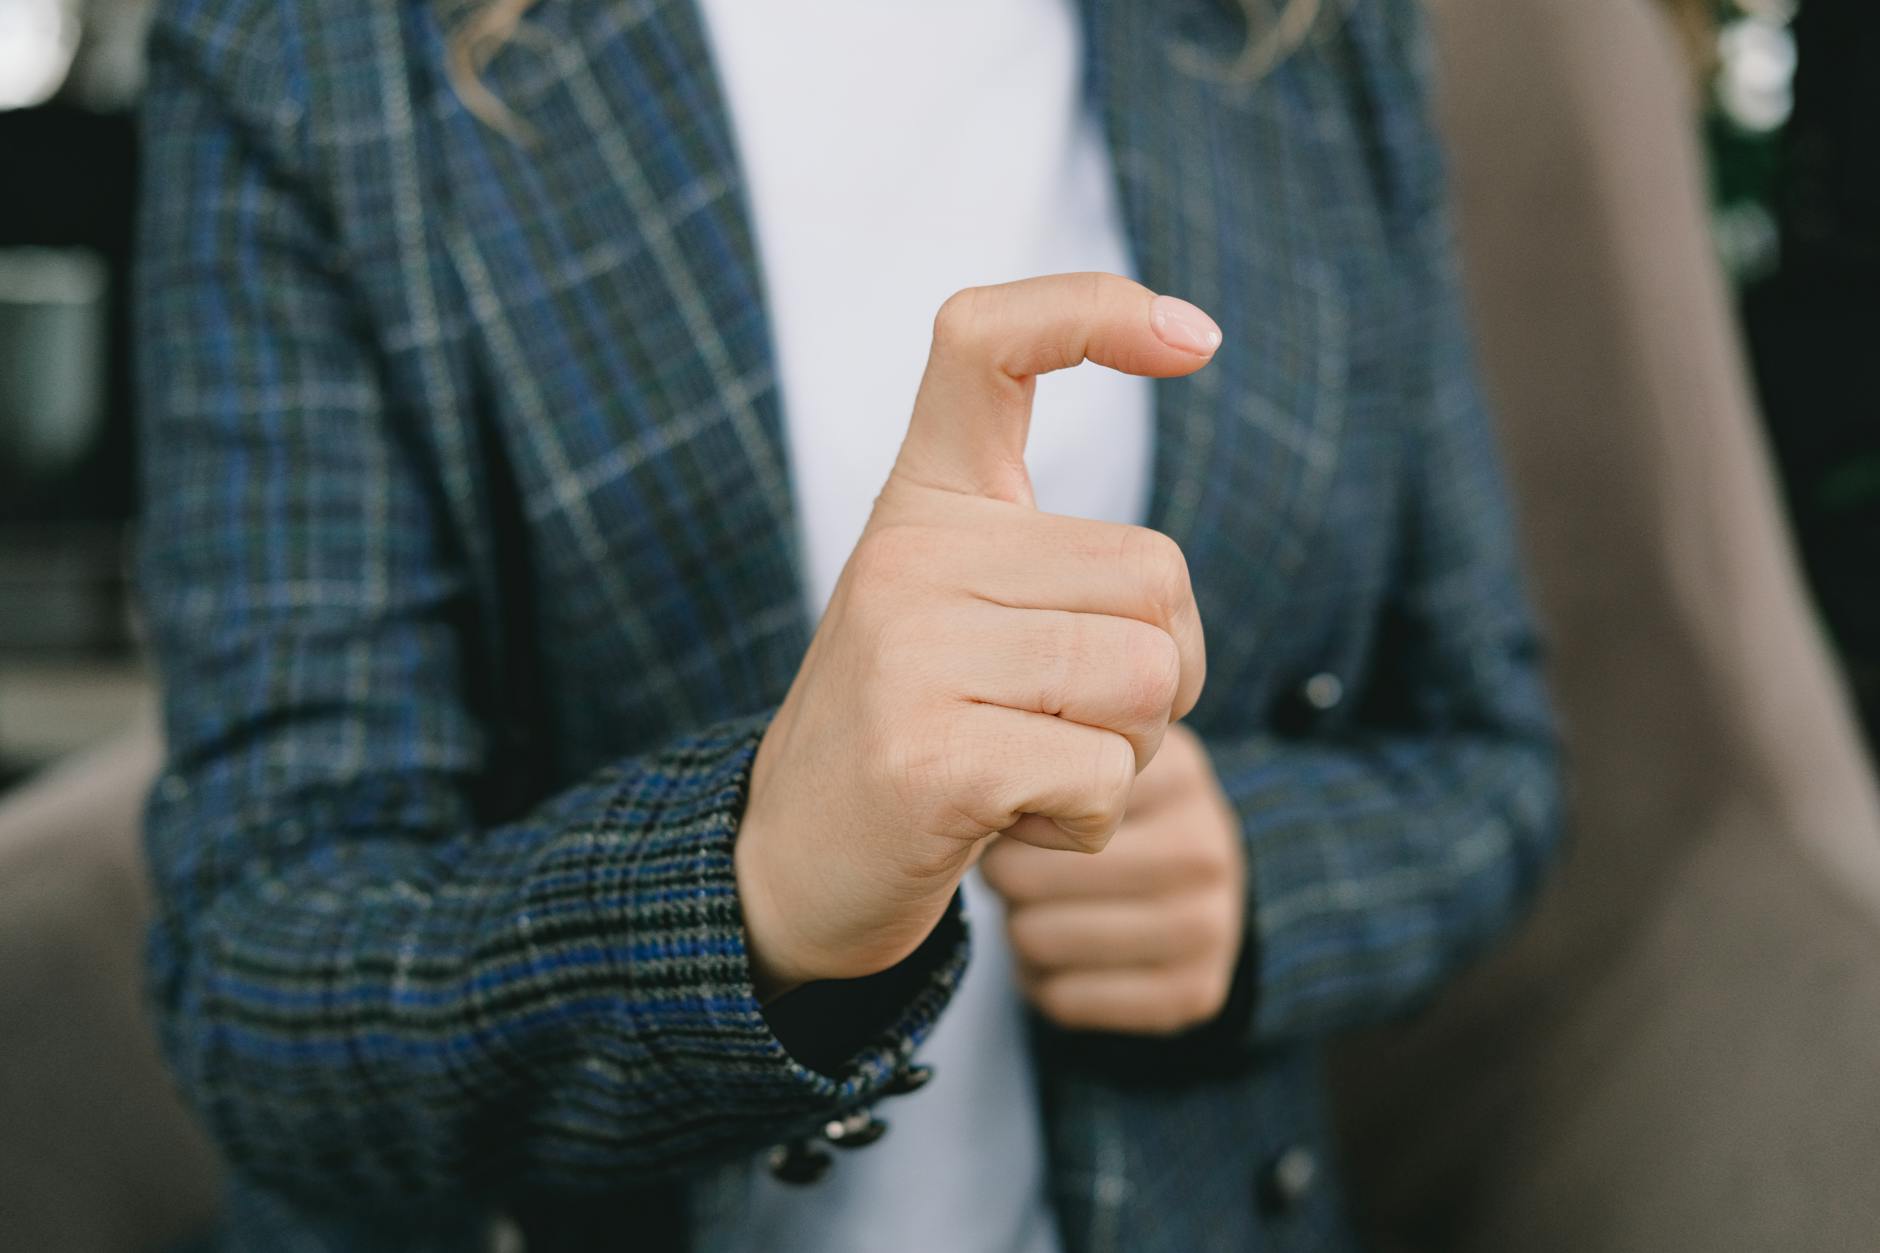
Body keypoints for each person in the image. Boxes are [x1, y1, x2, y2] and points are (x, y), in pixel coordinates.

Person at [134, 0, 1562, 1248]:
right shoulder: (311, 47)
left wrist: (1258, 882)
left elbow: (1491, 756)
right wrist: (751, 888)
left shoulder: (1310, 31)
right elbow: (264, 973)